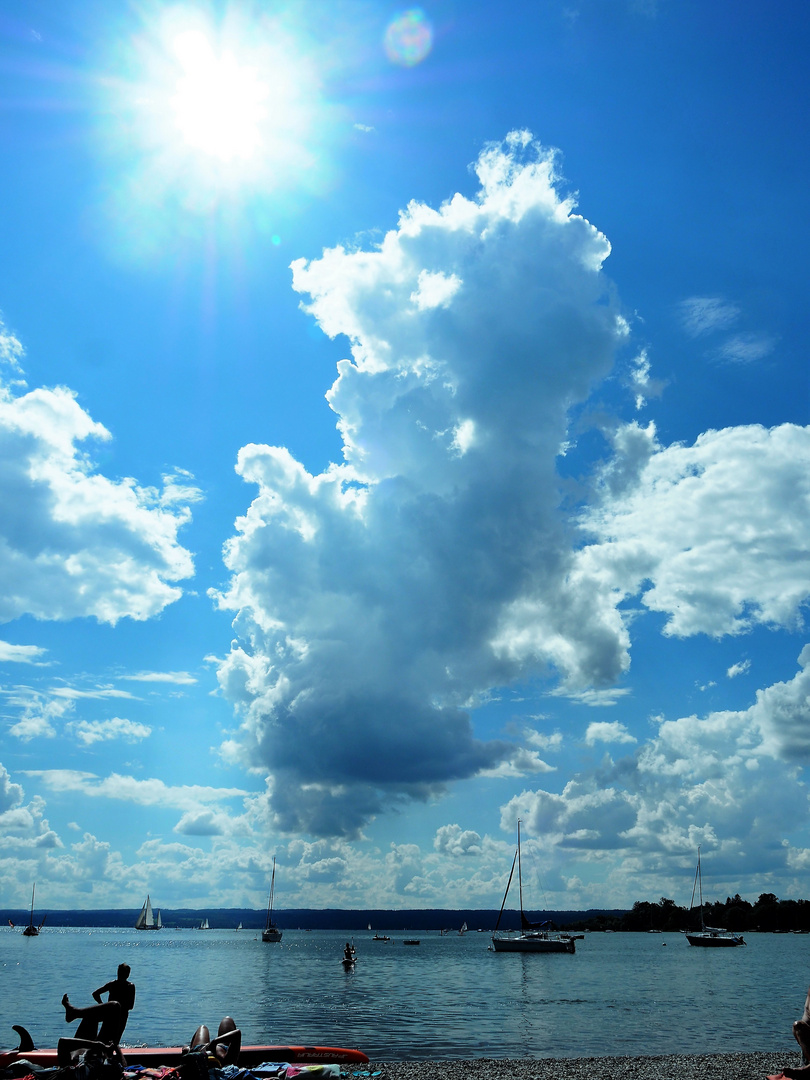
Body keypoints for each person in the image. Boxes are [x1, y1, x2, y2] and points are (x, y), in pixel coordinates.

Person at [61, 964, 135, 1046]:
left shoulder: (118, 985)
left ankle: (75, 1012)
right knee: (111, 1038)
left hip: (115, 1014)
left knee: (111, 1037)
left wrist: (102, 1005)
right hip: (115, 1015)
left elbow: (95, 994)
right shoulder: (127, 986)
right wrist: (102, 1006)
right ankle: (75, 1014)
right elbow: (130, 1006)